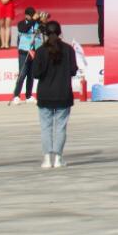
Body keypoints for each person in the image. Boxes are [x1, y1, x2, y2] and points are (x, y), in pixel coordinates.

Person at [32, 19, 77, 168]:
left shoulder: (40, 51)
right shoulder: (68, 50)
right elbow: (73, 70)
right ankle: (58, 158)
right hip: (63, 93)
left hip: (45, 94)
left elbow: (36, 74)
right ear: (60, 33)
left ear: (45, 34)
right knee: (60, 127)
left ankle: (47, 158)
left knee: (46, 127)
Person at [10, 8, 44, 105]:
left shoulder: (37, 24)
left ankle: (28, 96)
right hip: (24, 51)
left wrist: (41, 20)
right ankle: (16, 96)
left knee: (31, 75)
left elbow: (44, 30)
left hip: (34, 51)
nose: (33, 17)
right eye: (31, 15)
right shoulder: (21, 23)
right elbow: (24, 29)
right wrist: (33, 20)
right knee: (22, 74)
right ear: (27, 16)